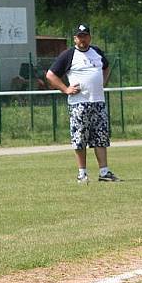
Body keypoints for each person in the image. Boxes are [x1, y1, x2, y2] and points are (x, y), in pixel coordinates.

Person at [45, 23, 120, 184]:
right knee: (80, 139)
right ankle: (82, 173)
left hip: (98, 102)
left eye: (85, 36)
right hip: (79, 104)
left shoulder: (97, 52)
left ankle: (104, 172)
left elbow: (106, 67)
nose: (82, 39)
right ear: (75, 39)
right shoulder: (69, 55)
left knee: (101, 137)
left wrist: (103, 82)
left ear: (89, 37)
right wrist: (65, 89)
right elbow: (51, 75)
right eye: (80, 37)